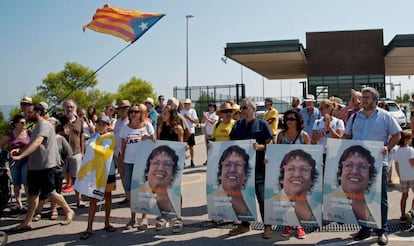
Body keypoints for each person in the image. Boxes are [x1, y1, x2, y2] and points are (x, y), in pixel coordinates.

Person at [343, 87, 401, 245]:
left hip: (376, 163)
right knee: (359, 197)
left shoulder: (385, 116)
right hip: (356, 164)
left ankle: (382, 231)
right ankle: (364, 229)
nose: (364, 100)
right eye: (363, 98)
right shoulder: (355, 117)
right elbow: (347, 136)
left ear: (375, 100)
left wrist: (388, 147)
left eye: (368, 98)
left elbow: (397, 134)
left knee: (379, 198)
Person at [9, 103, 74, 232]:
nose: (26, 115)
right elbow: (32, 144)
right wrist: (20, 150)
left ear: (37, 112)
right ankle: (27, 222)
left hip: (45, 165)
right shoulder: (36, 126)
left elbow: (38, 142)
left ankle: (68, 211)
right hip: (35, 166)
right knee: (32, 194)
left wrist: (21, 156)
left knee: (50, 192)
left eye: (29, 112)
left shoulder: (44, 125)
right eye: (26, 113)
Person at [229, 98, 273, 239]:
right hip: (241, 168)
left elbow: (270, 143)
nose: (242, 110)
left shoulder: (262, 124)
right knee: (242, 196)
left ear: (253, 109)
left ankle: (267, 226)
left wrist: (260, 147)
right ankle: (244, 224)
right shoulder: (237, 125)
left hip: (259, 167)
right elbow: (231, 143)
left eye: (245, 107)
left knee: (261, 197)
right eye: (241, 108)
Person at [80, 115, 117, 240]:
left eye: (103, 124)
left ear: (107, 125)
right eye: (98, 124)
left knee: (108, 197)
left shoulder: (111, 137)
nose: (100, 126)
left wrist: (93, 146)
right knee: (93, 199)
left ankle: (107, 222)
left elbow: (105, 151)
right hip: (95, 173)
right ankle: (89, 227)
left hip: (108, 172)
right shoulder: (94, 136)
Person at [121, 103, 155, 231]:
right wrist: (123, 165)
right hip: (129, 162)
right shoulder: (125, 129)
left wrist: (149, 138)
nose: (133, 114)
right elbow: (123, 147)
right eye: (131, 112)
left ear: (141, 113)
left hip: (143, 162)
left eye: (136, 111)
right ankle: (133, 218)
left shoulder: (147, 126)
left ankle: (144, 218)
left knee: (143, 191)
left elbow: (154, 141)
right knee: (130, 191)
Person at [276, 110, 310, 239]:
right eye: (287, 119)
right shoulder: (281, 135)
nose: (289, 121)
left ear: (298, 120)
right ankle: (289, 224)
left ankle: (299, 226)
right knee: (287, 200)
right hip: (285, 174)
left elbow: (310, 154)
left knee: (299, 200)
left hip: (300, 174)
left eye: (292, 119)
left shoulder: (304, 135)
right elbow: (276, 152)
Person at [33, 117, 73, 222]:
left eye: (52, 123)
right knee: (44, 191)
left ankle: (53, 210)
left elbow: (69, 153)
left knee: (55, 190)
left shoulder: (60, 138)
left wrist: (62, 162)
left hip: (58, 169)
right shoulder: (42, 137)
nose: (50, 125)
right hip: (44, 167)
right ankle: (38, 211)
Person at [335, 145, 378, 224]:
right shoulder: (331, 205)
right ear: (340, 173)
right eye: (349, 165)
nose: (354, 171)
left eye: (362, 166)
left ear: (370, 177)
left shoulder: (376, 204)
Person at [277, 149, 319, 225]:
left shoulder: (318, 208)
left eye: (303, 169)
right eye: (290, 169)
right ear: (282, 178)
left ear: (312, 179)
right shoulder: (270, 207)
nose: (297, 174)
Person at [0, 114, 30, 213]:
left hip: (26, 160)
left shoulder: (29, 133)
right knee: (16, 183)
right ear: (16, 124)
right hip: (14, 161)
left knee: (26, 182)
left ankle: (28, 202)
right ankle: (18, 203)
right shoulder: (11, 134)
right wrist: (6, 152)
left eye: (25, 122)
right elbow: (1, 143)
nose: (24, 124)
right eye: (22, 122)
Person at [215, 145, 253, 221]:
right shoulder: (213, 201)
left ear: (245, 174)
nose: (232, 170)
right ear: (220, 171)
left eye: (238, 165)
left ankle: (244, 224)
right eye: (227, 165)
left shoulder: (250, 202)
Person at [59, 99, 85, 208]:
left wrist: (83, 151)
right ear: (64, 108)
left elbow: (82, 136)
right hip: (62, 154)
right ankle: (58, 202)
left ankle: (79, 199)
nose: (69, 109)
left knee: (77, 178)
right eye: (67, 107)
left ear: (74, 108)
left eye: (71, 107)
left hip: (76, 152)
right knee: (59, 178)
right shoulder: (59, 121)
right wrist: (61, 133)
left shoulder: (80, 121)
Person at [312, 99, 345, 168]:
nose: (320, 111)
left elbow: (339, 138)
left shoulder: (338, 122)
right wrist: (323, 132)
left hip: (334, 154)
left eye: (322, 109)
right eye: (319, 109)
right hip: (321, 154)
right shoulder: (317, 122)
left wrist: (329, 128)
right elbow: (314, 140)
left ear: (329, 109)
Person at [393, 130, 414, 224]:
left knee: (404, 196)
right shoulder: (410, 150)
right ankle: (412, 212)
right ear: (406, 140)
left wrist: (399, 175)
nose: (411, 140)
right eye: (410, 138)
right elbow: (412, 163)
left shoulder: (397, 151)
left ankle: (402, 215)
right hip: (412, 176)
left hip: (403, 176)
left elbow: (396, 165)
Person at [113, 100, 130, 204]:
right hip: (118, 151)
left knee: (130, 175)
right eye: (121, 108)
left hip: (128, 151)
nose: (123, 110)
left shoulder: (131, 120)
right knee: (122, 175)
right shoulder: (118, 121)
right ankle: (127, 196)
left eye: (125, 108)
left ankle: (133, 196)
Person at [180, 99, 199, 167]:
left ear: (190, 104)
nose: (186, 105)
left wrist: (188, 117)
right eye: (185, 103)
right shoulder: (182, 111)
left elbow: (195, 121)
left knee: (191, 146)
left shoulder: (193, 111)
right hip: (184, 130)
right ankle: (183, 160)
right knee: (183, 146)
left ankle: (192, 160)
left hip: (191, 130)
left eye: (187, 104)